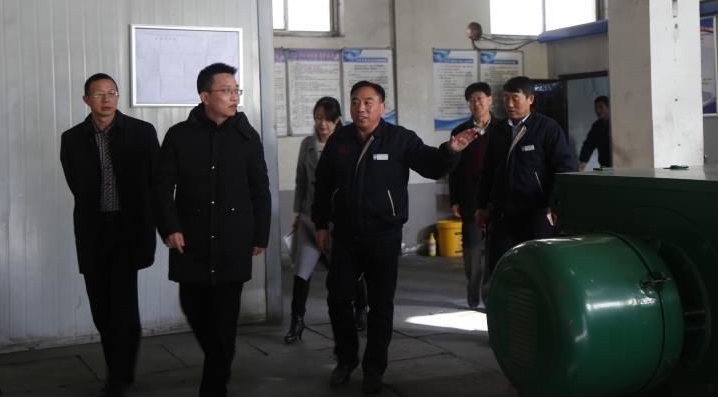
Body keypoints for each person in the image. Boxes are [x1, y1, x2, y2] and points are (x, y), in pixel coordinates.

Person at [313, 80, 480, 394]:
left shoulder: (400, 139)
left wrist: (450, 151)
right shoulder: (340, 140)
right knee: (338, 298)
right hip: (346, 235)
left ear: (382, 107)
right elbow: (322, 184)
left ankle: (374, 368)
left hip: (384, 235)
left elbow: (431, 166)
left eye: (368, 102)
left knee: (380, 305)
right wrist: (321, 224)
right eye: (355, 101)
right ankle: (346, 359)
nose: (361, 108)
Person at [156, 62, 271, 397]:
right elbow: (161, 188)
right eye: (226, 91)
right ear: (205, 96)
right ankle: (220, 358)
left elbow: (260, 189)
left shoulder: (247, 137)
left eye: (237, 90)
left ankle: (213, 387)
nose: (234, 97)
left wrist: (260, 234)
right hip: (190, 239)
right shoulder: (179, 135)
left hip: (233, 240)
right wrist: (170, 227)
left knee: (224, 319)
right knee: (192, 306)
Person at [60, 73, 160, 397]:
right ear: (86, 100)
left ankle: (119, 374)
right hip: (93, 230)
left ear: (118, 97)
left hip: (128, 230)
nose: (107, 99)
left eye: (112, 93)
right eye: (99, 94)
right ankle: (118, 368)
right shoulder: (72, 139)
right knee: (100, 306)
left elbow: (156, 183)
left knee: (123, 304)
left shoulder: (142, 133)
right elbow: (76, 184)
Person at [284, 97, 368, 344]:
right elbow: (301, 180)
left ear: (337, 120)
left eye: (328, 119)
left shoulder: (347, 143)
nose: (322, 124)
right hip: (310, 218)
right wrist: (298, 214)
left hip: (338, 221)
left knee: (350, 271)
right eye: (318, 118)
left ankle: (361, 309)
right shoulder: (307, 145)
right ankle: (296, 322)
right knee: (301, 272)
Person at [475, 76, 576, 279]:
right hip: (502, 214)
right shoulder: (498, 132)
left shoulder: (547, 129)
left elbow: (563, 169)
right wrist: (482, 206)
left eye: (515, 98)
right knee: (502, 267)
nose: (509, 104)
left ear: (530, 99)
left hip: (537, 213)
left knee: (538, 268)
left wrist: (555, 204)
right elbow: (488, 171)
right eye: (506, 98)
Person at [448, 82, 498, 309]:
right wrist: (454, 199)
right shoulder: (460, 131)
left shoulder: (503, 128)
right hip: (471, 199)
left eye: (480, 99)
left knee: (494, 251)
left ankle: (489, 294)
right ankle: (473, 290)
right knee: (472, 250)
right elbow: (454, 168)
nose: (476, 103)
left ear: (490, 100)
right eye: (472, 100)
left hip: (497, 199)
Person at [578, 95, 612, 171]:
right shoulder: (597, 126)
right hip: (604, 167)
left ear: (608, 108)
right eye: (596, 108)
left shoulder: (617, 124)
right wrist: (583, 161)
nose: (598, 111)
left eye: (601, 107)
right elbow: (589, 144)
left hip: (620, 165)